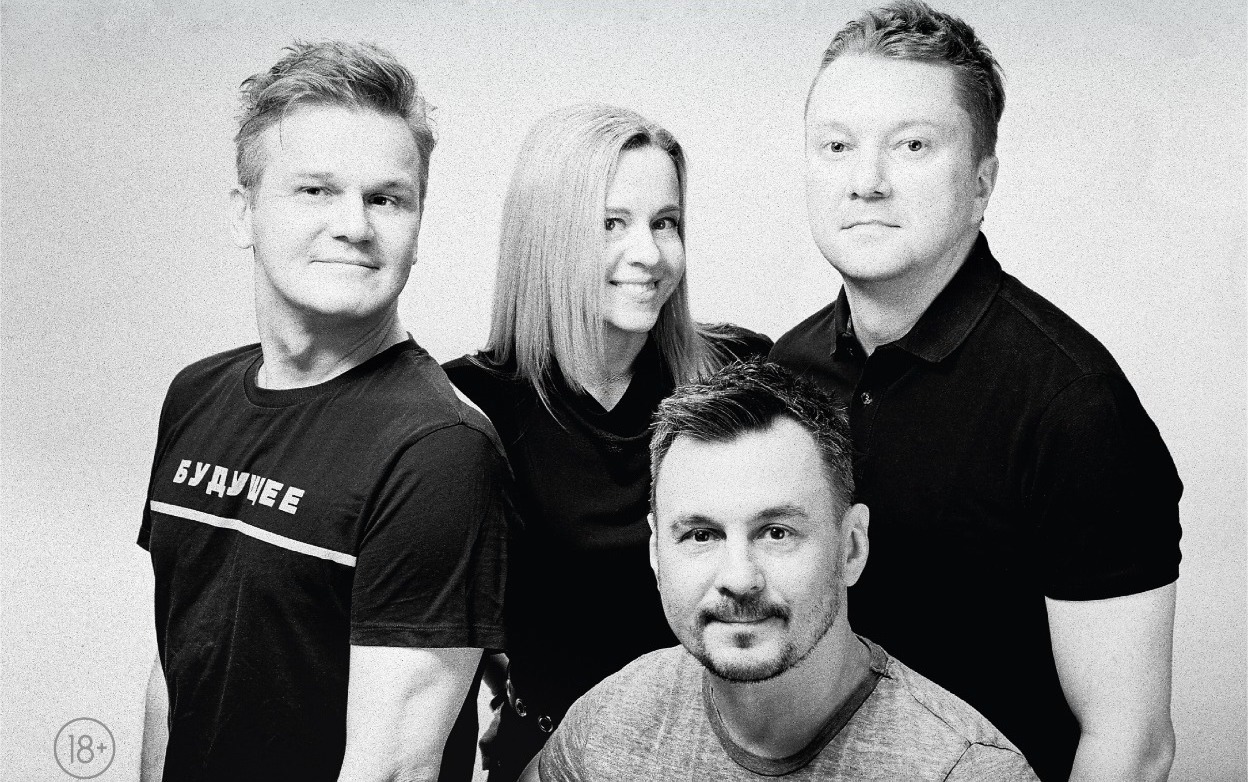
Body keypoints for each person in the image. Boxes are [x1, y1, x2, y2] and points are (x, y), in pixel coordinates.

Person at [769, 3, 1183, 780]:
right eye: (836, 145)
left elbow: (1130, 743)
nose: (866, 181)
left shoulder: (1075, 409)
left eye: (913, 145)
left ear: (982, 183)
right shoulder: (784, 374)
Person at [138, 41, 510, 782]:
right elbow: (173, 672)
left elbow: (392, 770)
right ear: (244, 213)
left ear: (417, 224)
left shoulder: (438, 451)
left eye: (387, 198)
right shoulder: (196, 394)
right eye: (315, 190)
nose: (355, 226)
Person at [443, 104, 772, 780]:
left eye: (665, 222)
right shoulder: (472, 407)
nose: (648, 253)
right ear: (547, 239)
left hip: (729, 757)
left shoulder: (738, 373)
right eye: (611, 224)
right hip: (553, 758)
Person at [530, 360, 1038, 780]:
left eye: (776, 532)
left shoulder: (966, 770)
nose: (739, 579)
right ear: (656, 554)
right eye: (701, 535)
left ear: (852, 548)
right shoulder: (609, 721)